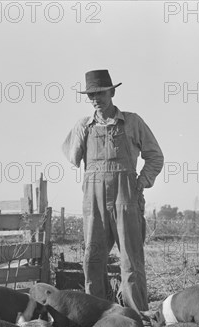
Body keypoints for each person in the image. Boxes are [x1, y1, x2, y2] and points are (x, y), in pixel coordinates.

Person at [62, 69, 164, 312]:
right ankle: (96, 315)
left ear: (112, 92)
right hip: (93, 201)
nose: (96, 99)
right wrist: (80, 134)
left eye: (101, 93)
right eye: (91, 95)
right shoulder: (83, 126)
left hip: (126, 197)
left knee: (130, 261)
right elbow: (72, 156)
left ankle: (137, 316)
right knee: (92, 260)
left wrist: (141, 183)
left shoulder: (132, 121)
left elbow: (155, 157)